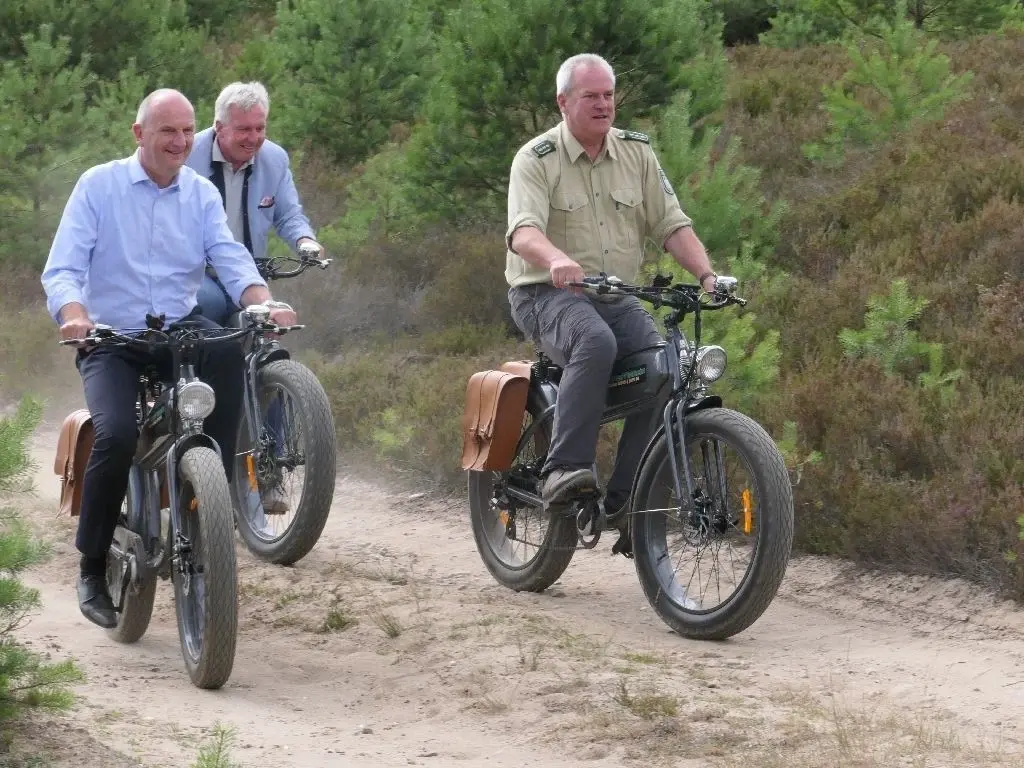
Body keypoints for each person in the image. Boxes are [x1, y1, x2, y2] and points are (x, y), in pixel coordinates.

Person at [41, 88, 298, 629]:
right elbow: (62, 268)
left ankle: (214, 494)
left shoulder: (199, 194)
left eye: (187, 132)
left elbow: (229, 257)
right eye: (168, 131)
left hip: (176, 328)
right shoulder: (99, 186)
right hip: (111, 336)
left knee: (231, 353)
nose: (180, 142)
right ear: (140, 134)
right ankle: (91, 565)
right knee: (113, 434)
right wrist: (73, 313)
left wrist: (262, 303)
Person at [504, 53, 719, 550]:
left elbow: (671, 224)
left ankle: (626, 501)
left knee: (665, 366)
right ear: (563, 103)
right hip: (544, 292)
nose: (603, 104)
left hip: (616, 294)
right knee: (594, 342)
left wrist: (707, 274)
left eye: (608, 95)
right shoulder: (535, 159)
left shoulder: (637, 154)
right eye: (590, 96)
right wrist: (556, 259)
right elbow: (523, 232)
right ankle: (566, 468)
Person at [186, 81, 321, 515]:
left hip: (250, 278)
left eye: (260, 128)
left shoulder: (274, 159)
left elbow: (288, 213)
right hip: (196, 276)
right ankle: (195, 438)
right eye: (244, 129)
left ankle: (269, 470)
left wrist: (304, 241)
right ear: (218, 127)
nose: (253, 138)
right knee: (212, 326)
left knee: (269, 350)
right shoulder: (185, 157)